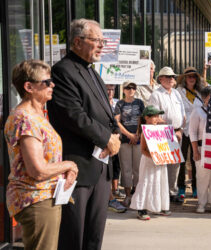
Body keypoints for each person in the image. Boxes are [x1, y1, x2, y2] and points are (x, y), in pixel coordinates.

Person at [47, 19, 121, 250]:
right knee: (73, 235)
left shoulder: (92, 71)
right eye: (96, 40)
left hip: (100, 166)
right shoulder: (63, 71)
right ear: (77, 42)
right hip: (77, 167)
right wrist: (106, 138)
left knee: (94, 235)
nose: (101, 45)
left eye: (102, 40)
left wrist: (115, 134)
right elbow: (73, 115)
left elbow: (107, 114)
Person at [5, 60, 78, 250]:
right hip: (37, 199)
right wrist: (69, 165)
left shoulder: (36, 115)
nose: (52, 85)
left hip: (43, 197)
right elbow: (37, 170)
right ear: (28, 86)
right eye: (46, 82)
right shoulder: (25, 118)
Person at [149, 66, 186, 202]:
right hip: (162, 133)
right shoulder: (156, 95)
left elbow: (183, 115)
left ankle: (172, 192)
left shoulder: (176, 94)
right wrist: (171, 131)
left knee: (175, 165)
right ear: (161, 79)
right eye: (169, 76)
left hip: (177, 133)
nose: (172, 79)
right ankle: (161, 193)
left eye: (173, 77)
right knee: (162, 165)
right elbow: (154, 117)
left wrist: (180, 130)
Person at [130, 106, 171, 220]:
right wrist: (153, 157)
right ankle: (141, 208)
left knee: (159, 182)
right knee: (146, 182)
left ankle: (158, 206)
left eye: (158, 116)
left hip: (160, 161)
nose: (157, 118)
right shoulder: (145, 131)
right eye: (155, 116)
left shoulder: (160, 129)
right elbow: (143, 150)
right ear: (147, 118)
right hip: (149, 161)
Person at [189, 86, 211, 214]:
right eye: (210, 96)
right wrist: (195, 151)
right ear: (205, 97)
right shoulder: (197, 112)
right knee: (202, 176)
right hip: (202, 147)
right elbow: (192, 132)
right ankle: (201, 203)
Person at [115, 81, 144, 207]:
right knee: (126, 168)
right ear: (123, 90)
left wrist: (137, 134)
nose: (131, 89)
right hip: (125, 140)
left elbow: (142, 120)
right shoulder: (119, 103)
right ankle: (127, 195)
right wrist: (129, 135)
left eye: (133, 87)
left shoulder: (140, 102)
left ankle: (137, 195)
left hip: (138, 139)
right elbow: (117, 122)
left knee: (137, 169)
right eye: (128, 87)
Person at [176, 67, 203, 199]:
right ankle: (181, 187)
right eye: (189, 76)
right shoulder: (178, 92)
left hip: (197, 130)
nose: (191, 78)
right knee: (180, 160)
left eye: (193, 76)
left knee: (195, 159)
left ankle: (196, 187)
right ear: (185, 78)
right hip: (183, 128)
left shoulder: (200, 92)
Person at [105, 84, 126, 212]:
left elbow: (116, 122)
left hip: (114, 140)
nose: (110, 91)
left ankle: (112, 194)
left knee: (114, 167)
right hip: (102, 140)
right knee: (105, 172)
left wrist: (116, 137)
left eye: (112, 89)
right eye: (108, 89)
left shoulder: (116, 104)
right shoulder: (99, 102)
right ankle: (110, 198)